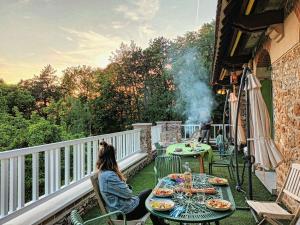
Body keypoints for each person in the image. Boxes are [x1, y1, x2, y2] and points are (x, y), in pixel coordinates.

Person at [96, 141, 167, 225]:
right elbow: (128, 194)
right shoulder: (109, 176)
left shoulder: (103, 173)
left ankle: (160, 223)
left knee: (148, 193)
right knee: (150, 194)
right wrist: (126, 187)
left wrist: (125, 187)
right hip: (127, 213)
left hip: (125, 208)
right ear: (111, 157)